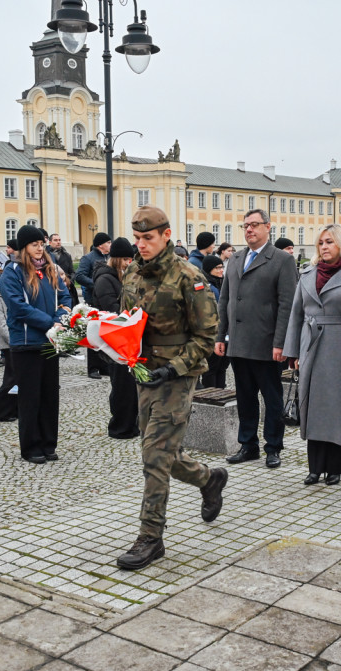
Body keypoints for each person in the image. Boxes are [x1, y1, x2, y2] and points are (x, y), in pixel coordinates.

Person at [116, 205, 227, 570]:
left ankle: (151, 537)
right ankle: (209, 480)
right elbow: (125, 322)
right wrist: (110, 348)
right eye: (137, 238)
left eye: (148, 238)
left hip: (178, 375)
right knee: (161, 451)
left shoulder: (189, 277)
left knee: (154, 454)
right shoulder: (132, 271)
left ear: (166, 235)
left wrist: (175, 368)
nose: (141, 245)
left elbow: (206, 335)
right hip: (144, 373)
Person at [283, 224, 341, 486]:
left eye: (330, 242)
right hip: (311, 345)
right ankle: (315, 468)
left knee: (337, 409)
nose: (324, 247)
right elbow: (296, 314)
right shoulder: (307, 273)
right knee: (312, 406)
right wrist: (292, 350)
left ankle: (335, 468)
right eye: (321, 242)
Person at [216, 208, 298, 468]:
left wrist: (281, 342)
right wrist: (221, 335)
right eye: (245, 226)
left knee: (272, 398)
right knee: (245, 396)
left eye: (254, 225)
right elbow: (225, 300)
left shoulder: (281, 260)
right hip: (239, 342)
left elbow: (288, 304)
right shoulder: (236, 258)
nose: (249, 230)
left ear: (268, 227)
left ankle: (273, 447)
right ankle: (247, 445)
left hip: (267, 344)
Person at [0, 225, 71, 463]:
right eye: (34, 245)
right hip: (26, 342)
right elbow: (19, 307)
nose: (40, 249)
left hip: (50, 341)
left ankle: (49, 443)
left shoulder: (50, 269)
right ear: (24, 247)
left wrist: (61, 320)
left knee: (50, 396)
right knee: (30, 398)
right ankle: (31, 446)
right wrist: (50, 323)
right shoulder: (13, 272)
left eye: (41, 244)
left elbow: (65, 297)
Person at [93, 237, 140, 439]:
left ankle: (132, 423)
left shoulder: (124, 277)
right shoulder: (105, 279)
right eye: (126, 259)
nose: (129, 263)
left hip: (128, 335)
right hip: (113, 338)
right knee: (121, 385)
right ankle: (120, 426)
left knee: (131, 384)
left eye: (131, 259)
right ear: (117, 259)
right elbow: (111, 308)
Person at [75, 231, 111, 378]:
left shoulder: (110, 257)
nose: (110, 245)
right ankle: (93, 367)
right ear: (100, 245)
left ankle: (105, 365)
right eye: (108, 242)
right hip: (93, 300)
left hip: (106, 300)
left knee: (105, 334)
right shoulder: (88, 258)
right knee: (93, 334)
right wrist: (96, 284)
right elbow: (79, 275)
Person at [198, 254, 229, 389]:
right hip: (212, 334)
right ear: (209, 269)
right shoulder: (206, 286)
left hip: (224, 333)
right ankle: (211, 399)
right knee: (211, 369)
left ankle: (220, 394)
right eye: (217, 268)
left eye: (222, 267)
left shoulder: (219, 283)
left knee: (221, 368)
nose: (221, 270)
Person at [0, 283, 17, 422]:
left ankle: (13, 409)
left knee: (17, 378)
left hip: (18, 342)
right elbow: (0, 324)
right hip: (9, 343)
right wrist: (13, 339)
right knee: (10, 378)